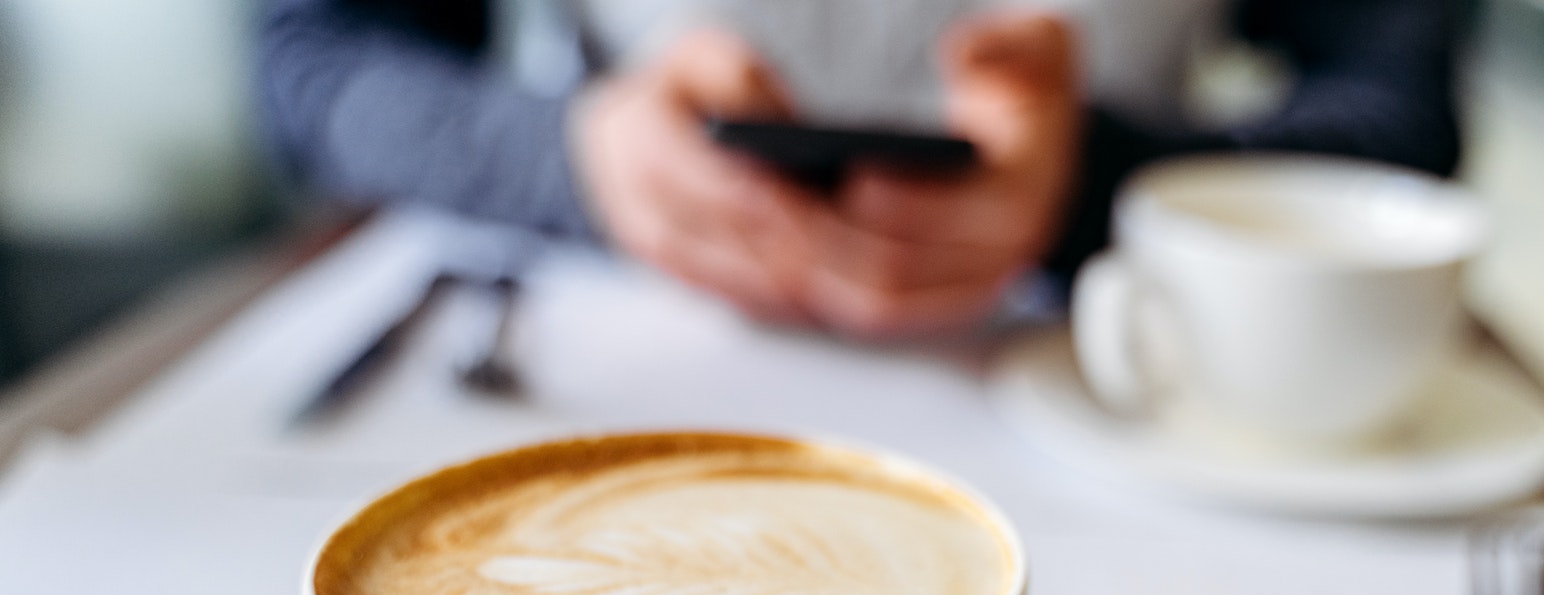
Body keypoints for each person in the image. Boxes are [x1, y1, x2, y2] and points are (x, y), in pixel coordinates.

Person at [258, 0, 1465, 337]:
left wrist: (1092, 184)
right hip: (613, 342)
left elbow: (1405, 114)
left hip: (1119, 361)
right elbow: (310, 59)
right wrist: (574, 154)